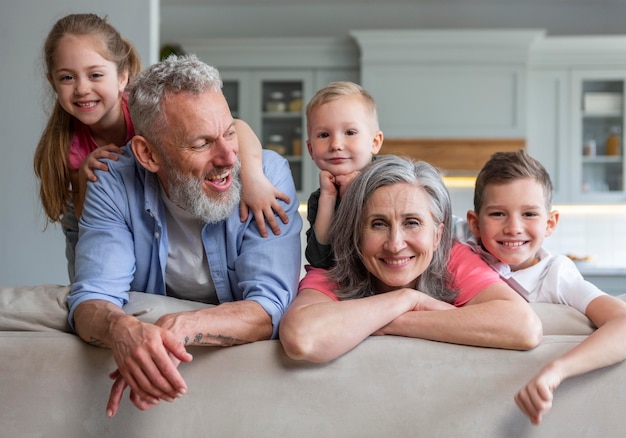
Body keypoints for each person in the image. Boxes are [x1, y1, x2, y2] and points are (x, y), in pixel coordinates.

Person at [66, 54, 303, 417]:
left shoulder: (267, 176)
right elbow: (92, 297)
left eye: (229, 133)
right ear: (147, 154)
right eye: (201, 143)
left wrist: (179, 327)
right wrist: (124, 331)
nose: (228, 157)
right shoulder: (112, 181)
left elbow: (270, 307)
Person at [33, 13, 289, 282]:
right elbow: (95, 225)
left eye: (95, 74)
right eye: (67, 78)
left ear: (122, 77)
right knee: (89, 284)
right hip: (96, 214)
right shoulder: (68, 148)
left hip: (151, 196)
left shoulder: (146, 109)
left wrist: (254, 178)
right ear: (52, 82)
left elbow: (237, 128)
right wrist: (88, 178)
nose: (82, 89)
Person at [279, 155, 541, 363]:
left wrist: (386, 321)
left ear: (438, 236)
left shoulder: (453, 257)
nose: (395, 244)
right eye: (378, 224)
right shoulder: (336, 268)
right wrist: (407, 299)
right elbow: (301, 337)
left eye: (412, 222)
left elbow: (523, 327)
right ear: (357, 233)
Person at [454, 149, 626, 425]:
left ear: (550, 223)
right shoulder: (461, 249)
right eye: (498, 214)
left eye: (529, 214)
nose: (514, 227)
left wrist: (557, 370)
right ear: (474, 223)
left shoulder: (556, 275)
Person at [304, 81, 384, 268]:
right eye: (324, 135)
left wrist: (354, 196)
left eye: (350, 132)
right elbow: (319, 260)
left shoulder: (393, 181)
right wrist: (329, 198)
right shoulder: (319, 199)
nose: (336, 145)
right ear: (310, 149)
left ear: (375, 142)